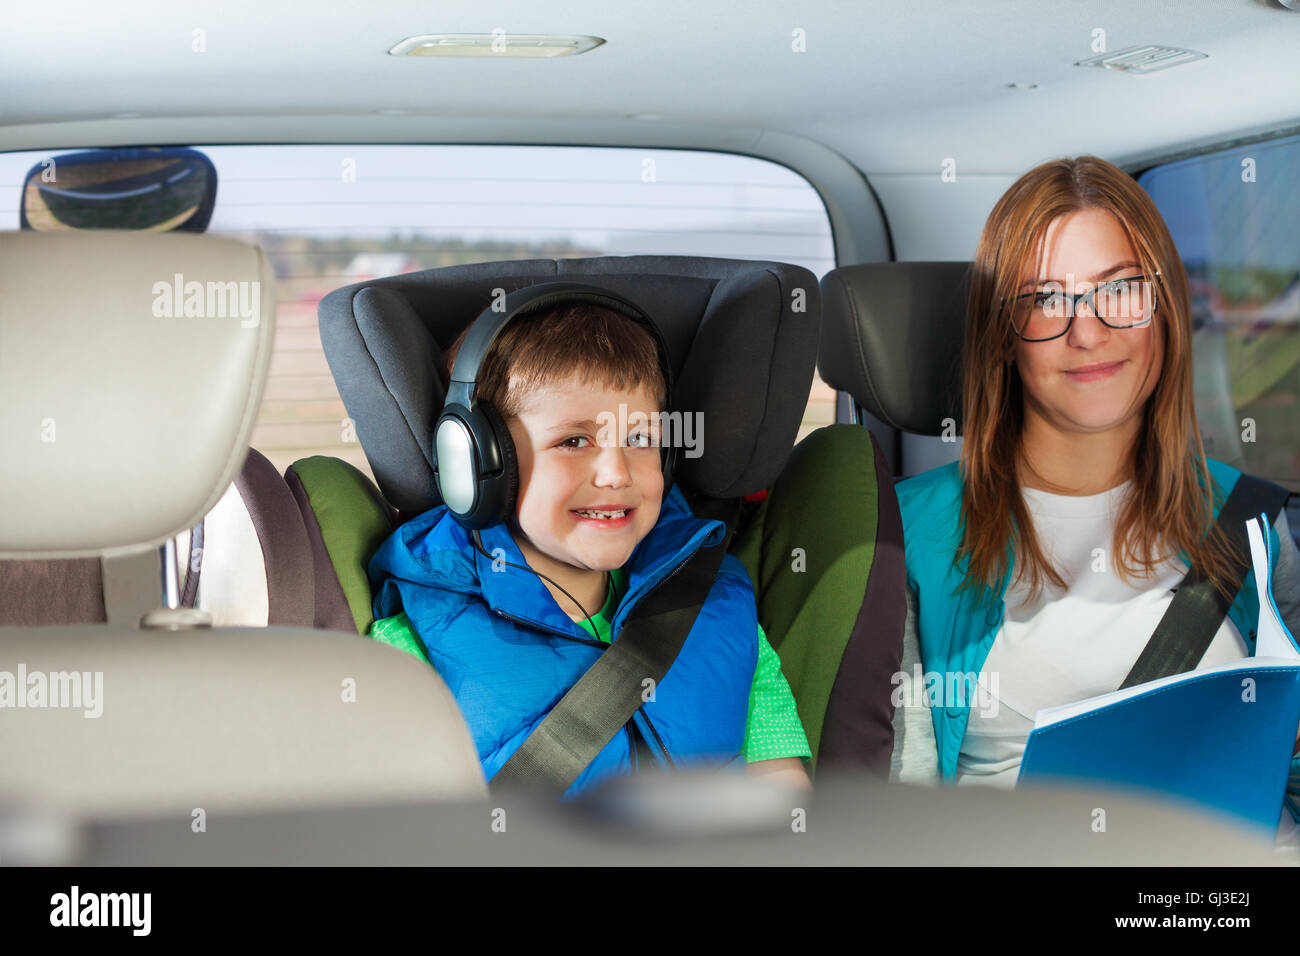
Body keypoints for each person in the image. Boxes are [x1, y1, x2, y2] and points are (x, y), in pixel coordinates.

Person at [890, 156, 1300, 844]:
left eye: (1121, 289)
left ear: (1165, 309)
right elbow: (901, 818)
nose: (1088, 331)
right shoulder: (908, 537)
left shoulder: (1248, 515)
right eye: (1047, 299)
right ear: (1003, 335)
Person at [366, 298, 811, 796]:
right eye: (574, 442)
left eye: (640, 439)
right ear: (480, 463)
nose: (617, 474)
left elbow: (782, 795)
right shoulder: (413, 641)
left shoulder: (716, 603)